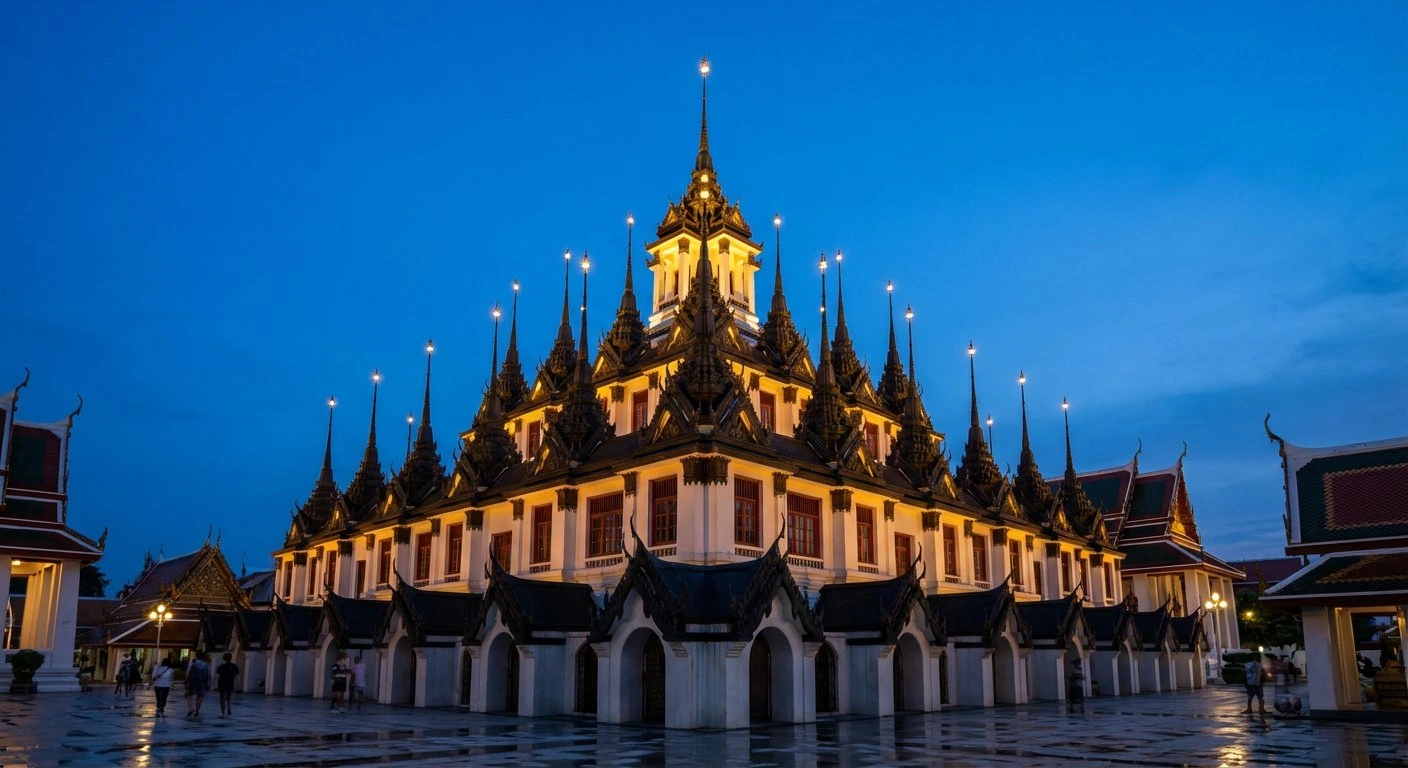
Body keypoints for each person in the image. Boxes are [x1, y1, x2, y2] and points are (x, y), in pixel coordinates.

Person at [185, 652, 211, 718]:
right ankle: (197, 711)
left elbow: (190, 673)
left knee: (189, 695)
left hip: (193, 681)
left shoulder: (194, 663)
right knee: (200, 697)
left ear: (196, 656)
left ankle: (191, 708)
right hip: (202, 682)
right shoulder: (206, 665)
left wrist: (187, 681)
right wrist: (208, 684)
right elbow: (208, 675)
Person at [215, 652, 239, 718]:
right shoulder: (234, 666)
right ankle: (228, 708)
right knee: (229, 697)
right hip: (230, 683)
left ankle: (223, 712)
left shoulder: (221, 667)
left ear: (224, 659)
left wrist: (215, 685)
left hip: (222, 683)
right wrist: (238, 684)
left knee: (222, 698)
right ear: (231, 658)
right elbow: (236, 676)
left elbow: (217, 676)